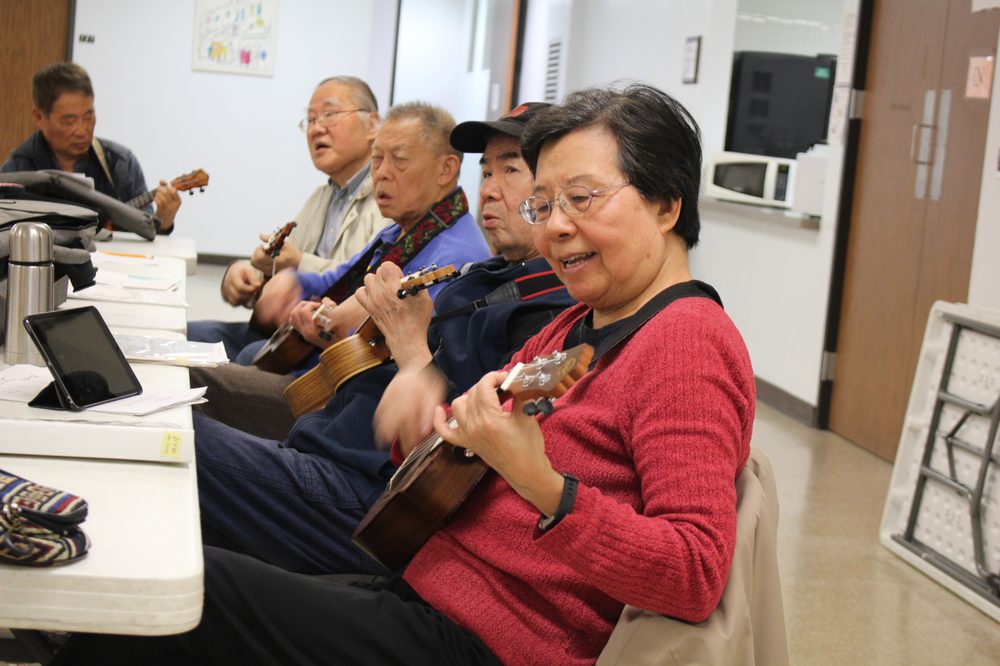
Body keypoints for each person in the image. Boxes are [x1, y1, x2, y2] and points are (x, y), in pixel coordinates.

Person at [52, 84, 756, 666]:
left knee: (177, 599)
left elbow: (693, 574)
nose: (555, 229)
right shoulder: (577, 322)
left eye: (584, 198)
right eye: (545, 205)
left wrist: (541, 480)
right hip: (421, 584)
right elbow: (455, 447)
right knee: (166, 564)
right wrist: (428, 405)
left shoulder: (686, 342)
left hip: (491, 642)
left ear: (666, 204)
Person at [189, 101, 575, 576]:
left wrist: (411, 352)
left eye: (510, 170)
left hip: (363, 494)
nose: (489, 192)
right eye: (487, 173)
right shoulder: (482, 272)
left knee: (179, 437)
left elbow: (465, 452)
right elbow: (347, 294)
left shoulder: (551, 310)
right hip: (325, 439)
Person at [186, 101, 491, 438]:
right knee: (227, 358)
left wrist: (332, 329)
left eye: (399, 160)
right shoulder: (400, 230)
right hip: (325, 381)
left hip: (347, 409)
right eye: (377, 159)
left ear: (446, 169)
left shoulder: (457, 257)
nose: (382, 172)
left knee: (193, 380)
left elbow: (399, 352)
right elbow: (336, 282)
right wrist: (293, 284)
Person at [187, 76, 388, 359]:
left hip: (328, 347)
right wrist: (243, 275)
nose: (317, 128)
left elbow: (366, 283)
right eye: (310, 119)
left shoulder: (386, 199)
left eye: (329, 115)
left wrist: (298, 264)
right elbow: (281, 263)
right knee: (187, 336)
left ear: (372, 125)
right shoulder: (322, 197)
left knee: (245, 356)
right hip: (286, 334)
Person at [1, 62, 181, 234]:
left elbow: (146, 230)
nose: (82, 130)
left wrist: (163, 221)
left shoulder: (121, 163)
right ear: (39, 117)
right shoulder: (17, 168)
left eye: (88, 117)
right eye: (69, 121)